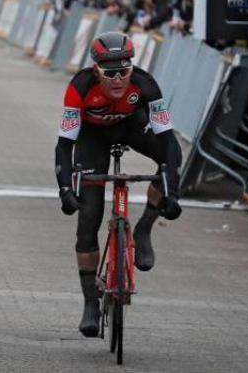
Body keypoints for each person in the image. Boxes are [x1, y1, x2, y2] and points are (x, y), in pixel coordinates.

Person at [54, 31, 182, 337]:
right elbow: (63, 146)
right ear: (96, 70)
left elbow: (166, 138)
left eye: (124, 71)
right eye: (109, 72)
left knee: (172, 158)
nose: (117, 79)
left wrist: (172, 190)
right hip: (92, 138)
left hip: (132, 127)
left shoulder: (146, 84)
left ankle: (144, 227)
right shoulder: (79, 87)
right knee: (88, 219)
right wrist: (64, 189)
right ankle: (89, 304)